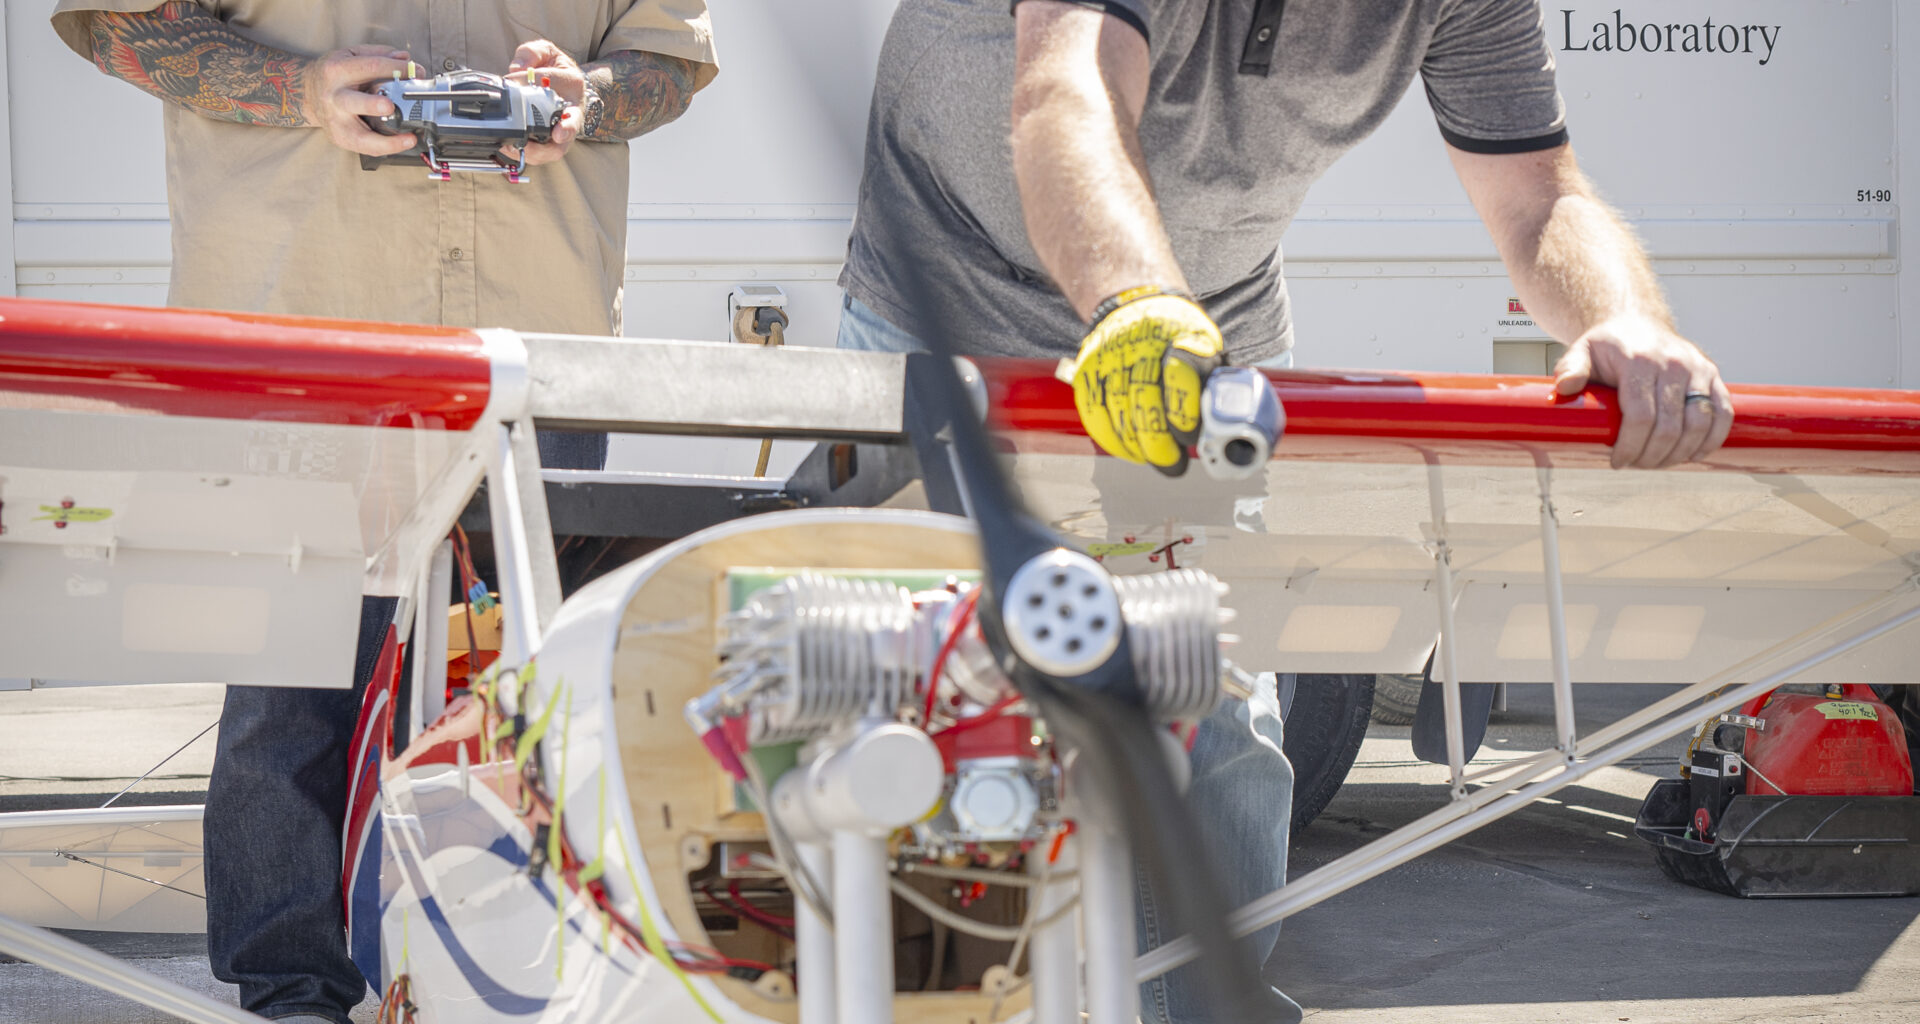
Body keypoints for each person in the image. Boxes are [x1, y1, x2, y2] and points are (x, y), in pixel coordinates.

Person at [837, 1, 1734, 1021]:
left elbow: (1536, 192)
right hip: (953, 303)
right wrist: (1134, 299)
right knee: (929, 702)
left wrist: (1627, 321)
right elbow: (1067, 91)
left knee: (1211, 714)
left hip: (1198, 329)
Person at [49, 4, 716, 1022]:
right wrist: (300, 92)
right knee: (289, 694)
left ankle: (509, 977)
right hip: (294, 337)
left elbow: (667, 64)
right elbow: (122, 30)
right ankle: (292, 994)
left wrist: (592, 97)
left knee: (528, 692)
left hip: (536, 346)